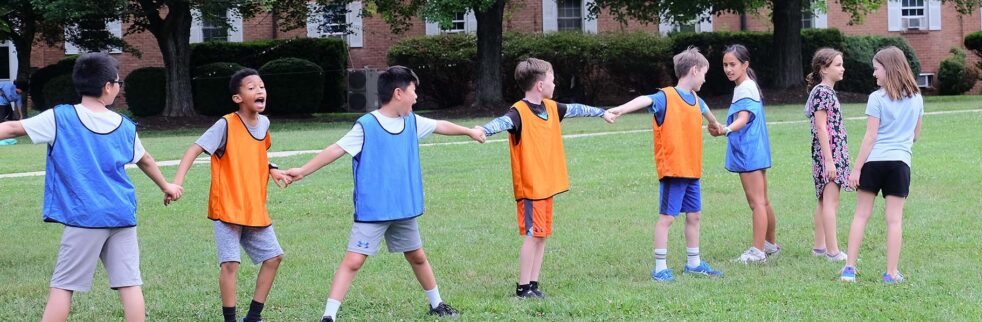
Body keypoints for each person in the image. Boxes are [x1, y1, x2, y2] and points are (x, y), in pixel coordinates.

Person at [283, 66, 485, 321]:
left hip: (402, 208)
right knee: (354, 261)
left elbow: (440, 125)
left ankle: (437, 304)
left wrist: (469, 131)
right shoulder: (367, 125)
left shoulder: (412, 121)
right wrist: (303, 171)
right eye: (413, 91)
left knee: (417, 256)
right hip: (374, 210)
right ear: (398, 93)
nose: (416, 97)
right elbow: (336, 149)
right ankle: (329, 316)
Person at [0, 53, 182, 321]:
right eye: (118, 82)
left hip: (85, 217)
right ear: (107, 86)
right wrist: (167, 186)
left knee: (63, 286)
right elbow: (145, 160)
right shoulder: (125, 125)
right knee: (130, 284)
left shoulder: (60, 117)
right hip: (122, 214)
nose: (119, 88)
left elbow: (12, 128)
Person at [476, 57, 615, 297]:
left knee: (541, 236)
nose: (555, 83)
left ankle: (533, 285)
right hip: (531, 188)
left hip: (546, 186)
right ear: (540, 85)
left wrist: (602, 113)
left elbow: (576, 109)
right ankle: (522, 289)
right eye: (552, 79)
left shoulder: (551, 108)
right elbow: (502, 122)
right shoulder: (518, 113)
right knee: (533, 236)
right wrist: (482, 131)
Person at [169, 68, 291, 322]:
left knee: (273, 257)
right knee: (230, 264)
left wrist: (272, 169)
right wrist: (177, 183)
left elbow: (257, 152)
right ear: (238, 98)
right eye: (252, 88)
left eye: (262, 86)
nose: (260, 91)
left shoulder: (264, 123)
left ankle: (253, 317)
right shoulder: (225, 124)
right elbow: (193, 150)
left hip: (253, 207)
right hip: (227, 207)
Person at [605, 47, 725, 281]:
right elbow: (645, 99)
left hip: (692, 170)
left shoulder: (697, 100)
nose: (705, 79)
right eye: (704, 73)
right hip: (674, 170)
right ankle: (660, 269)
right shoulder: (666, 97)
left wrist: (716, 125)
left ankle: (694, 264)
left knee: (694, 215)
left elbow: (708, 114)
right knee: (667, 218)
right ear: (694, 70)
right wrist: (621, 109)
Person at [840, 47, 924, 284]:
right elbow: (916, 135)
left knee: (861, 215)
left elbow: (871, 136)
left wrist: (856, 169)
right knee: (894, 220)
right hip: (900, 164)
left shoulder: (876, 98)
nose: (874, 74)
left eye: (876, 69)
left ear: (889, 68)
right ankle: (891, 273)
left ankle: (849, 269)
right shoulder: (917, 98)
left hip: (874, 162)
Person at [717, 44, 780, 264]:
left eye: (733, 64)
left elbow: (743, 119)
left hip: (749, 152)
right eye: (725, 64)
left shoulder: (744, 88)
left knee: (757, 203)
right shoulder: (748, 85)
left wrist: (725, 129)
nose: (728, 69)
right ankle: (770, 245)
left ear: (745, 65)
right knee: (763, 201)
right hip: (756, 150)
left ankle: (758, 251)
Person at [804, 48, 854, 262]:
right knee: (830, 202)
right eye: (838, 65)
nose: (842, 68)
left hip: (830, 154)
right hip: (829, 154)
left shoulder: (823, 91)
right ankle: (833, 252)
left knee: (824, 200)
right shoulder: (823, 93)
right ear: (823, 69)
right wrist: (829, 161)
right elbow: (821, 127)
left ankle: (820, 247)